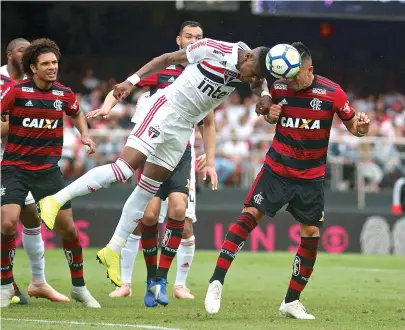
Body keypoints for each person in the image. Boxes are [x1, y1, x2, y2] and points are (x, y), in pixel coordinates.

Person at [38, 36, 274, 304]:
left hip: (184, 128)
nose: (250, 80)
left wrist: (265, 95)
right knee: (123, 169)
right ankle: (55, 200)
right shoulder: (213, 49)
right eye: (251, 74)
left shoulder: (252, 70)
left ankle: (113, 250)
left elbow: (259, 84)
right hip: (166, 109)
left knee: (146, 189)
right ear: (247, 59)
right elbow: (166, 60)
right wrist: (132, 81)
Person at [204, 42, 371, 319]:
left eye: (296, 75)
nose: (291, 81)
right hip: (277, 170)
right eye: (287, 75)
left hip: (311, 178)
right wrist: (269, 114)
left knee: (311, 235)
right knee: (250, 215)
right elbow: (266, 112)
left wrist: (361, 129)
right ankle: (216, 281)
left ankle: (291, 301)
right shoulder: (278, 87)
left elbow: (354, 125)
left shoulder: (332, 93)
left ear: (310, 69)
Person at [86, 21, 215, 303]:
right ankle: (134, 282)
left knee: (182, 215)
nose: (195, 41)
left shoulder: (208, 73)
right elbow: (122, 88)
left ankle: (174, 284)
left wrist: (211, 158)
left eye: (200, 37)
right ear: (178, 39)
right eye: (190, 36)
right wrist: (107, 108)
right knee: (145, 216)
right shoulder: (163, 70)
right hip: (154, 148)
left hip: (182, 153)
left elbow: (209, 122)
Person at [0, 38, 100, 308]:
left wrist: (86, 134)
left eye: (54, 62)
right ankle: (5, 286)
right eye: (45, 64)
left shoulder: (63, 94)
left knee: (68, 230)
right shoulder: (16, 91)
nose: (52, 67)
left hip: (48, 171)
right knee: (7, 224)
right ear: (33, 67)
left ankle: (79, 287)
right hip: (15, 168)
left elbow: (76, 112)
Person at [0, 38, 68, 305]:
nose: (26, 53)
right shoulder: (7, 85)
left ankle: (37, 281)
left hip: (21, 160)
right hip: (8, 159)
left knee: (30, 218)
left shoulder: (33, 87)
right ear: (11, 55)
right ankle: (7, 283)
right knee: (8, 221)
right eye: (21, 50)